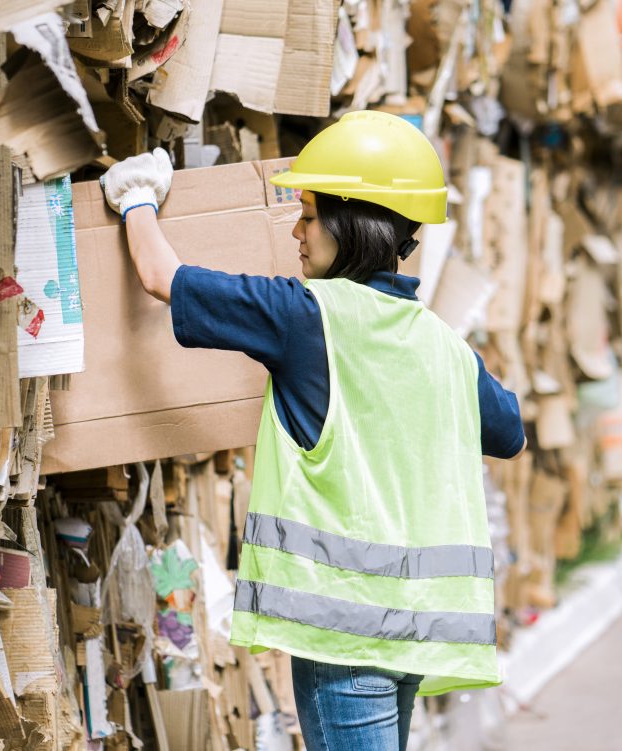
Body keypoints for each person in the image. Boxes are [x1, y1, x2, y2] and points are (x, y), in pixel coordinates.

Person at [101, 110, 526, 751]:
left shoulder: (305, 317)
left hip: (343, 630)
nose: (296, 231)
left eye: (307, 213)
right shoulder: (445, 347)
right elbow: (509, 430)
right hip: (413, 632)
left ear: (350, 222)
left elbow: (164, 278)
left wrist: (136, 200)